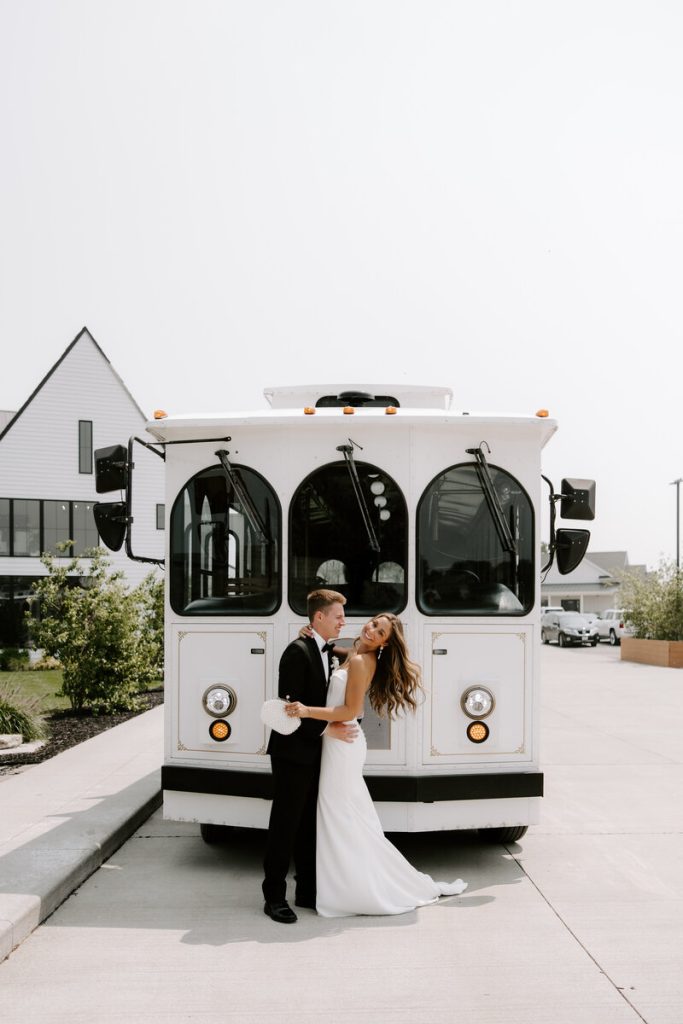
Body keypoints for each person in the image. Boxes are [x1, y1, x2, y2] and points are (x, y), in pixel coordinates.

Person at [285, 613, 467, 917]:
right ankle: (342, 884)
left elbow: (350, 709)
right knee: (347, 816)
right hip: (339, 743)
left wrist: (305, 711)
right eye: (372, 624)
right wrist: (316, 638)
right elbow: (334, 652)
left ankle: (351, 889)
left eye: (379, 631)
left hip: (343, 744)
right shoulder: (356, 652)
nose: (371, 630)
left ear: (384, 642)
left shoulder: (361, 661)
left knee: (339, 816)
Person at [262, 589, 358, 924]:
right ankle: (273, 896)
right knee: (285, 825)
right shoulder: (296, 652)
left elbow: (362, 648)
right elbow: (286, 713)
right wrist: (326, 731)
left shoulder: (328, 649)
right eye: (338, 617)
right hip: (291, 753)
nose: (343, 622)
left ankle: (307, 891)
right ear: (318, 617)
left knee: (308, 825)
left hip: (316, 754)